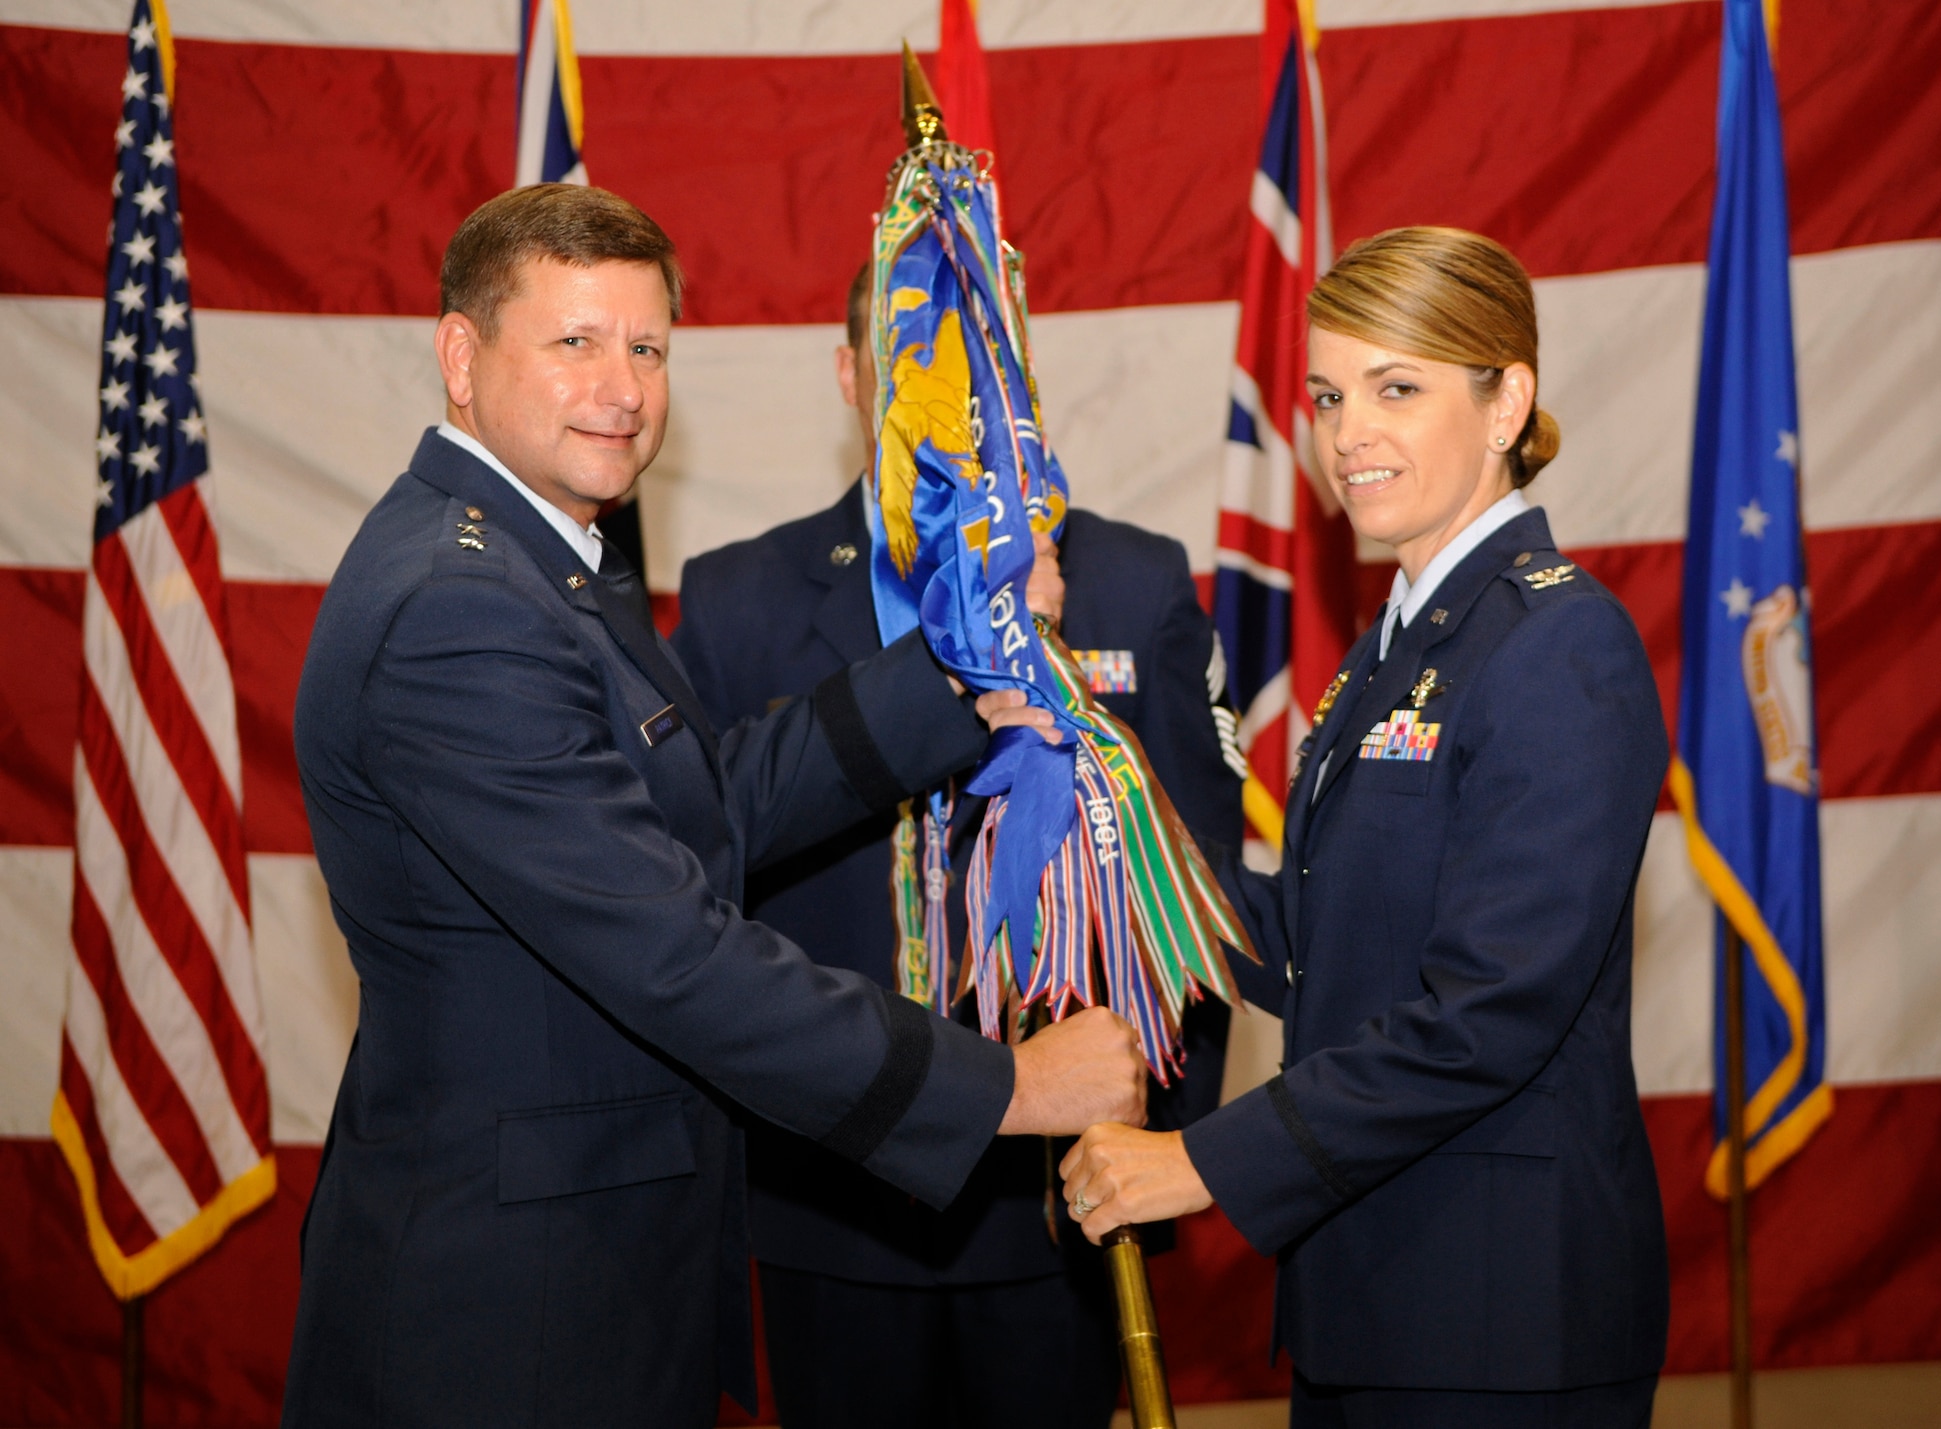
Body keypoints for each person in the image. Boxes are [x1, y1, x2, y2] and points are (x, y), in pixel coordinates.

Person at [284, 184, 1151, 1429]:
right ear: (460, 357)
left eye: (645, 347)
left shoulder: (534, 558)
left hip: (584, 1262)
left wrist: (955, 683)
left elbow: (702, 803)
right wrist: (1007, 1088)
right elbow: (673, 954)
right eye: (574, 341)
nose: (622, 389)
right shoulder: (457, 607)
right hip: (508, 1315)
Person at [1060, 227, 1672, 1427]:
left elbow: (1485, 1013)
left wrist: (1200, 1160)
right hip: (1377, 1284)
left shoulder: (1556, 644)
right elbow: (1319, 945)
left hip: (1496, 1317)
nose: (1348, 436)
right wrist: (1110, 810)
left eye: (1398, 389)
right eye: (1331, 395)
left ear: (1508, 402)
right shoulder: (1398, 644)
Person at [669, 263, 1245, 1429]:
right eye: (907, 360)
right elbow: (699, 899)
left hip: (1059, 1203)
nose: (944, 396)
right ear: (849, 375)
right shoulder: (735, 599)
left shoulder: (1127, 580)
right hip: (833, 1198)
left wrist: (1159, 1155)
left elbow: (1199, 894)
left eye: (973, 365)